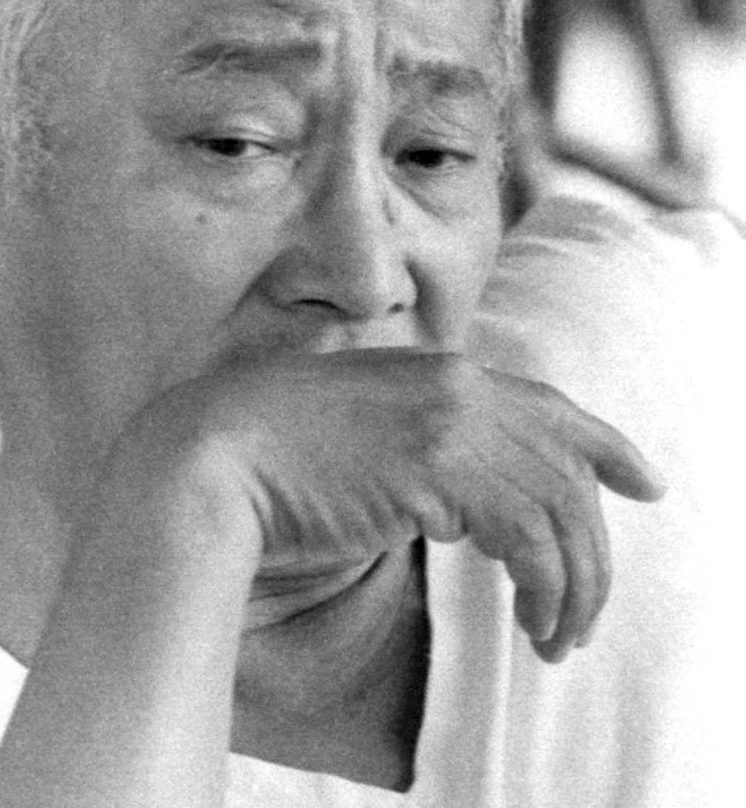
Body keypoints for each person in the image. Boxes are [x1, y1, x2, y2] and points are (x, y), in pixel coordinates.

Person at [0, 0, 742, 806]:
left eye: (431, 154)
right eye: (236, 144)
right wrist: (202, 488)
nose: (366, 276)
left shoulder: (670, 372)